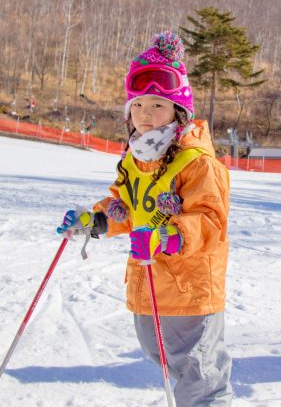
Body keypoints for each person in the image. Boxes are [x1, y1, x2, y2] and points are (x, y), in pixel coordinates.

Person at [56, 31, 233, 405]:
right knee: (165, 359)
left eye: (157, 105)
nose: (145, 114)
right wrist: (94, 220)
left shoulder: (197, 162)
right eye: (137, 105)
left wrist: (168, 236)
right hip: (148, 281)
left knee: (200, 377)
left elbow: (211, 222)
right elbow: (124, 206)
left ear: (179, 112)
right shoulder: (137, 160)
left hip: (189, 288)